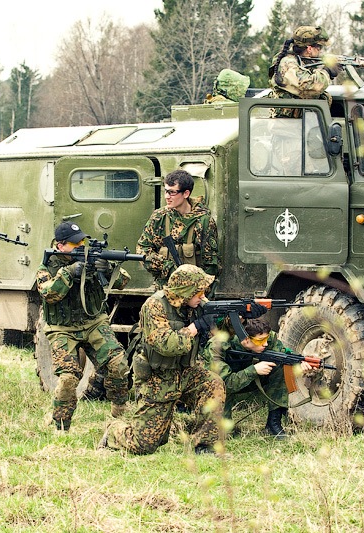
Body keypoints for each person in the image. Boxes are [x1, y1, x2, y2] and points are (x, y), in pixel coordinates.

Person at [100, 264, 225, 455]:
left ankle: (204, 445)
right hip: (157, 378)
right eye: (199, 292)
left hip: (185, 372)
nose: (203, 296)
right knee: (143, 445)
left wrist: (237, 316)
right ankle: (113, 431)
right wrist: (195, 327)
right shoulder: (154, 306)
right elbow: (167, 344)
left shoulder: (195, 304)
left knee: (212, 383)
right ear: (186, 291)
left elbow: (220, 326)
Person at [36, 222, 131, 431]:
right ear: (60, 246)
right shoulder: (48, 266)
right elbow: (48, 293)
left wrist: (108, 269)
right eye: (75, 243)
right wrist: (69, 273)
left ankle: (119, 412)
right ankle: (61, 426)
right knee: (68, 378)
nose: (81, 246)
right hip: (62, 328)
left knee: (118, 364)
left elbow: (122, 282)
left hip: (93, 323)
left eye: (82, 242)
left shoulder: (91, 260)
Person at [204, 316, 313, 439]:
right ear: (245, 340)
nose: (265, 344)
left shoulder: (266, 338)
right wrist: (254, 370)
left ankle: (273, 424)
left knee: (281, 366)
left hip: (250, 380)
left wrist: (299, 363)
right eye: (260, 341)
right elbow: (224, 384)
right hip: (222, 387)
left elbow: (283, 354)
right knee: (223, 434)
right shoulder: (217, 346)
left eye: (266, 339)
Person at [136, 170, 220, 295]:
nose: (167, 196)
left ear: (186, 193)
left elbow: (211, 265)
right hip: (165, 289)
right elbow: (142, 250)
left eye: (172, 192)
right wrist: (168, 268)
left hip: (193, 292)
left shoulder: (203, 221)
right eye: (166, 191)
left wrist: (198, 292)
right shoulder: (159, 217)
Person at [268, 26, 339, 117]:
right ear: (309, 49)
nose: (320, 51)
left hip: (299, 122)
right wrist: (327, 72)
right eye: (319, 48)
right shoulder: (288, 64)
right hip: (286, 124)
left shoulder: (302, 62)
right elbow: (311, 86)